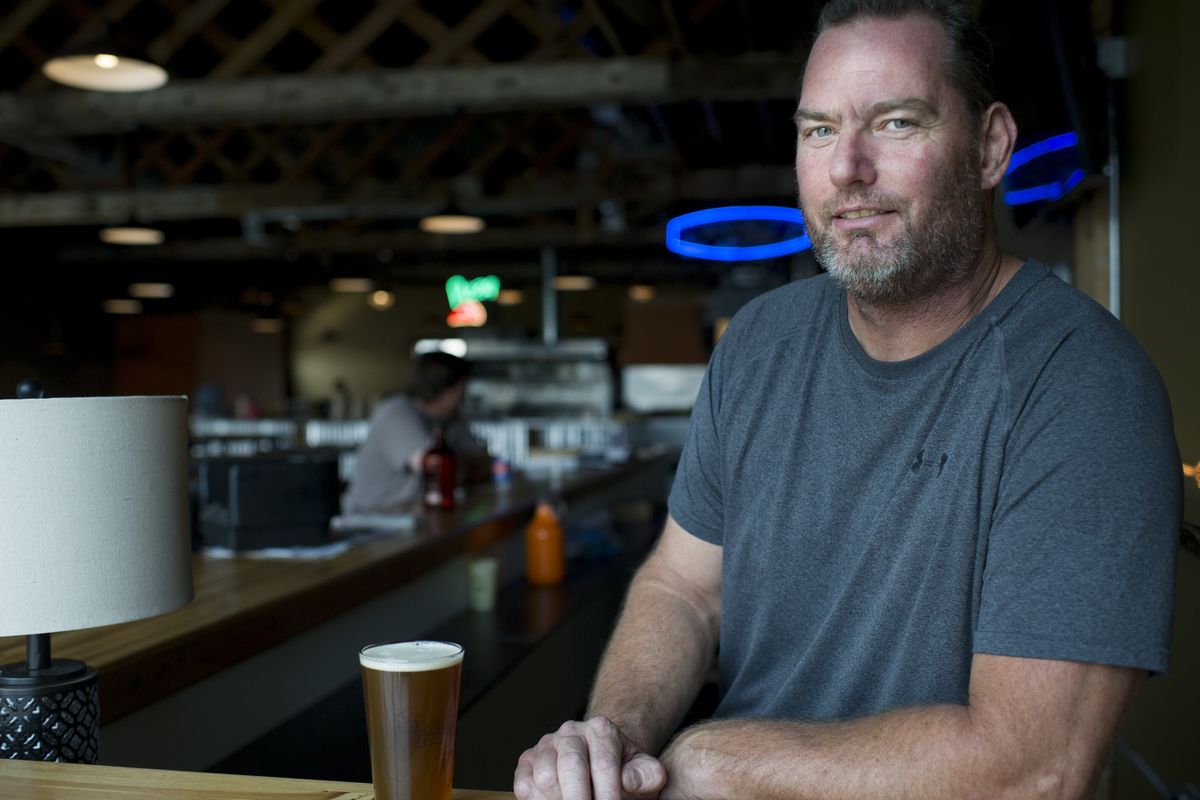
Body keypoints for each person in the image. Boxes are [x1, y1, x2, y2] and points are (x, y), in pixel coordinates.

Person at [513, 1, 1181, 798]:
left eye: (896, 123)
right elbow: (683, 589)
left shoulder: (1083, 382)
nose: (847, 168)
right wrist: (611, 741)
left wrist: (715, 766)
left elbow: (1033, 770)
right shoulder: (758, 344)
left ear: (990, 148)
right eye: (819, 130)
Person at [343, 351, 490, 512]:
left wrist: (463, 468)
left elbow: (485, 464)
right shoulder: (396, 412)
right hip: (372, 521)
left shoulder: (451, 417)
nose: (463, 394)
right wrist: (464, 467)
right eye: (462, 387)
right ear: (448, 390)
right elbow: (437, 472)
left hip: (414, 516)